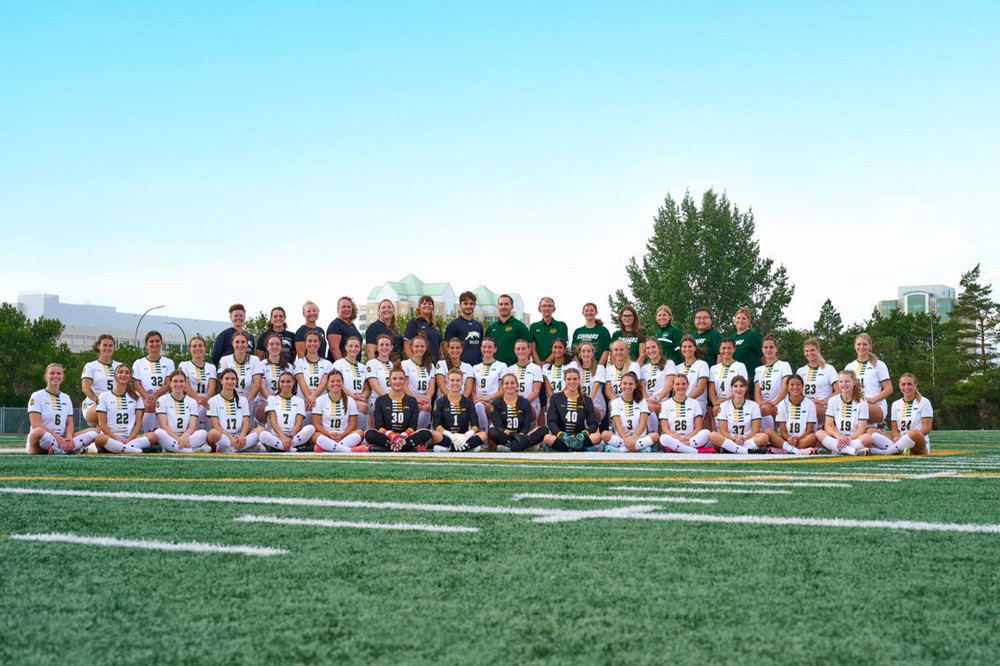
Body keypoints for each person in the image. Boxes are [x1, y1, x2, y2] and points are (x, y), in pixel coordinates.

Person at [27, 363, 98, 454]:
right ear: (46, 377)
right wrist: (58, 438)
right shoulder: (37, 396)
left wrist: (68, 438)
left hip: (62, 438)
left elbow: (69, 423)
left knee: (95, 431)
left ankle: (62, 450)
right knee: (37, 432)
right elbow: (35, 424)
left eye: (59, 373)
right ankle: (69, 450)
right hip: (46, 438)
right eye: (52, 373)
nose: (55, 376)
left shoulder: (66, 397)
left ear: (63, 377)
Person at [364, 366, 433, 452]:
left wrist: (402, 436)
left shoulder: (412, 401)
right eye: (394, 379)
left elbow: (412, 426)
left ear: (405, 381)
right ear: (389, 381)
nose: (398, 382)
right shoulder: (380, 400)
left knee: (427, 433)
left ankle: (387, 448)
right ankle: (406, 447)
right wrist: (392, 436)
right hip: (387, 436)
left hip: (405, 437)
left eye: (401, 379)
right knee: (369, 434)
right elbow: (379, 426)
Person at [95, 365, 156, 453]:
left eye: (127, 373)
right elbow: (102, 424)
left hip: (129, 438)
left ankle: (117, 448)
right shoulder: (104, 396)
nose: (123, 375)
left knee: (153, 436)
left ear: (130, 377)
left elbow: (138, 423)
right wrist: (115, 439)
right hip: (110, 438)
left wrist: (130, 439)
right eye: (120, 372)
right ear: (115, 376)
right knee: (99, 438)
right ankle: (136, 450)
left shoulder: (136, 396)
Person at [868, 373, 933, 455]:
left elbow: (926, 429)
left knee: (914, 433)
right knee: (870, 431)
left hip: (918, 444)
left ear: (915, 385)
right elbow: (894, 430)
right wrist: (898, 438)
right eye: (903, 384)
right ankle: (900, 450)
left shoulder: (924, 402)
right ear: (899, 386)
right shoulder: (895, 404)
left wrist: (906, 438)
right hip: (900, 442)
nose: (906, 387)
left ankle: (887, 452)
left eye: (909, 384)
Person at [815, 370, 873, 456]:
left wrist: (849, 438)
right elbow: (828, 426)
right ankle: (852, 451)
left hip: (853, 439)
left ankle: (835, 450)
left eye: (847, 381)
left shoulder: (862, 402)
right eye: (841, 381)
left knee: (867, 438)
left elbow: (861, 430)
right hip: (837, 438)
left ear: (854, 383)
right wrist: (838, 436)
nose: (843, 384)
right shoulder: (833, 400)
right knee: (819, 433)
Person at [543, 367, 601, 451]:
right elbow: (551, 421)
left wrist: (584, 435)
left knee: (597, 436)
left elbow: (594, 424)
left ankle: (572, 447)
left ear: (579, 380)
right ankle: (577, 448)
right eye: (569, 379)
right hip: (562, 437)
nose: (572, 382)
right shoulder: (555, 398)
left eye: (575, 379)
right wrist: (562, 435)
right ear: (565, 381)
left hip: (579, 437)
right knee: (547, 438)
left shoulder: (587, 400)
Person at [431, 368, 488, 452]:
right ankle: (467, 448)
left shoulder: (468, 402)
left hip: (463, 436)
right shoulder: (440, 402)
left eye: (458, 380)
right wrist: (451, 436)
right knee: (435, 435)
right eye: (452, 380)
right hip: (447, 436)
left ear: (462, 383)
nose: (455, 383)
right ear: (448, 382)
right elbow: (436, 425)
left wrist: (466, 436)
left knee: (483, 435)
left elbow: (475, 425)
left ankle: (451, 449)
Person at [488, 374, 548, 452]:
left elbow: (526, 426)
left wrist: (519, 436)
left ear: (517, 385)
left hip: (522, 435)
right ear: (502, 386)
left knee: (544, 430)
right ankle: (525, 446)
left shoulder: (525, 402)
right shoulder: (496, 404)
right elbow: (499, 426)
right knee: (492, 432)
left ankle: (510, 447)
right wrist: (513, 435)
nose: (510, 386)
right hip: (505, 436)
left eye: (512, 383)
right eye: (506, 383)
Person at [259, 371, 316, 452]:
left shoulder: (299, 401)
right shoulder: (272, 399)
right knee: (262, 435)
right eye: (282, 382)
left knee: (311, 428)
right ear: (279, 383)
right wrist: (283, 437)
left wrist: (290, 437)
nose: (285, 384)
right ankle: (294, 450)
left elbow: (299, 423)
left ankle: (279, 447)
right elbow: (272, 421)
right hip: (277, 435)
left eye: (288, 381)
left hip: (293, 437)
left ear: (293, 382)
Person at [709, 376, 768, 454]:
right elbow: (723, 431)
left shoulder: (753, 405)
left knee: (764, 437)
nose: (738, 389)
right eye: (735, 386)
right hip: (730, 440)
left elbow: (756, 430)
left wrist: (744, 439)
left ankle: (731, 450)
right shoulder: (724, 405)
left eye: (741, 386)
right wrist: (733, 439)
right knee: (713, 436)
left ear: (746, 388)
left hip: (747, 440)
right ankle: (747, 451)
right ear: (731, 388)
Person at [154, 369, 208, 453]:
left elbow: (192, 427)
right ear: (170, 383)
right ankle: (190, 450)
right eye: (175, 381)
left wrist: (185, 436)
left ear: (185, 383)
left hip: (187, 436)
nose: (178, 384)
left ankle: (173, 448)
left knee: (203, 433)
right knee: (158, 432)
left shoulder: (192, 402)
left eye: (181, 381)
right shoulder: (162, 400)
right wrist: (178, 439)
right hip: (169, 435)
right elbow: (164, 425)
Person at [132, 330, 176, 434]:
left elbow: (168, 383)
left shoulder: (168, 362)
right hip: (144, 396)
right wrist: (147, 396)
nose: (155, 344)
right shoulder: (138, 363)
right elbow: (137, 384)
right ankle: (148, 435)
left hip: (162, 396)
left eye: (157, 341)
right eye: (151, 341)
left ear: (162, 343)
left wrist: (156, 395)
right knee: (150, 405)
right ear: (146, 344)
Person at [207, 368, 260, 453]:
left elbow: (246, 422)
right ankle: (243, 448)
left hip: (239, 437)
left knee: (260, 430)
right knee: (212, 434)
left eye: (233, 379)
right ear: (221, 381)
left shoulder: (243, 400)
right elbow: (216, 426)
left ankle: (231, 450)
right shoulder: (213, 401)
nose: (230, 381)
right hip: (224, 437)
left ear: (236, 381)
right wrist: (231, 438)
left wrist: (242, 436)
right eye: (227, 379)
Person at [601, 372, 658, 452]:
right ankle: (639, 449)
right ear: (620, 385)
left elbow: (643, 424)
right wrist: (626, 440)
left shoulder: (642, 402)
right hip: (622, 438)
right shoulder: (615, 402)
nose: (627, 386)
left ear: (635, 386)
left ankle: (621, 450)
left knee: (655, 436)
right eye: (625, 383)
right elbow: (618, 425)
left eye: (630, 384)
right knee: (605, 434)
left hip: (638, 438)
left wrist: (634, 438)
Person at [844, 333, 892, 426]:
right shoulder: (849, 366)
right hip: (855, 405)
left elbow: (889, 388)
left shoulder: (879, 364)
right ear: (854, 346)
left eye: (865, 344)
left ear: (870, 346)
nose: (861, 347)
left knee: (859, 408)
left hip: (876, 405)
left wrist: (874, 400)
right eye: (859, 344)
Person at [313, 369, 365, 452]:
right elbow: (316, 424)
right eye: (332, 381)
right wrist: (329, 435)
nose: (335, 384)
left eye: (338, 381)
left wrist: (341, 436)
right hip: (326, 436)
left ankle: (327, 448)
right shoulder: (320, 400)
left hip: (345, 436)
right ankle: (348, 450)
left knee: (360, 433)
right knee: (315, 436)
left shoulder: (350, 400)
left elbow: (353, 425)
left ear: (342, 383)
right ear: (327, 384)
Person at [658, 374, 712, 454]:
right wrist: (677, 438)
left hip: (690, 438)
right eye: (677, 384)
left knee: (706, 433)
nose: (681, 386)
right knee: (663, 438)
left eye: (683, 384)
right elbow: (665, 428)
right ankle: (695, 451)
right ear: (672, 386)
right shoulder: (666, 404)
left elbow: (698, 427)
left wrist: (687, 437)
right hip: (674, 438)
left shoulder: (694, 403)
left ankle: (678, 448)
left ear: (688, 385)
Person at [765, 374, 817, 455]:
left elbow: (809, 430)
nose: (795, 387)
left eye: (798, 384)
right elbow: (783, 432)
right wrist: (788, 439)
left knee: (812, 437)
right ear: (787, 387)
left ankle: (785, 450)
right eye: (792, 384)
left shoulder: (810, 404)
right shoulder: (782, 404)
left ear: (802, 386)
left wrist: (797, 439)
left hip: (802, 439)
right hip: (786, 440)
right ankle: (796, 450)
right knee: (768, 431)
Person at [219, 332, 263, 417]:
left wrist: (246, 400)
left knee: (247, 427)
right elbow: (222, 382)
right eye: (237, 342)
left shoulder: (254, 360)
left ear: (247, 344)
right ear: (233, 344)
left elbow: (257, 383)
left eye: (243, 342)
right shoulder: (225, 360)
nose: (240, 345)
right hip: (229, 398)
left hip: (248, 399)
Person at [81, 333, 121, 426]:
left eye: (110, 345)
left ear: (114, 347)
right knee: (107, 411)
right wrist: (99, 401)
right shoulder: (91, 366)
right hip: (93, 405)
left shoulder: (119, 366)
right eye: (105, 345)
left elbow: (126, 387)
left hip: (114, 404)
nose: (108, 348)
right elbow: (85, 388)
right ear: (98, 346)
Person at [754, 335, 792, 432]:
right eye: (766, 347)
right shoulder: (758, 369)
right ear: (762, 349)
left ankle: (770, 437)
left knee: (764, 410)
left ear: (776, 349)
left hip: (780, 405)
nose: (768, 350)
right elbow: (757, 390)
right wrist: (759, 404)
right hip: (764, 405)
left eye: (771, 347)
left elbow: (785, 387)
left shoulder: (784, 365)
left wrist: (774, 403)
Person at [796, 338, 838, 425]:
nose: (809, 353)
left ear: (818, 351)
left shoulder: (829, 369)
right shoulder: (800, 371)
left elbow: (838, 390)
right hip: (805, 407)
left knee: (814, 408)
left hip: (823, 407)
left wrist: (823, 402)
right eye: (807, 351)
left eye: (812, 350)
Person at [179, 335, 217, 430]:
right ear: (190, 349)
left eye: (200, 346)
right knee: (198, 409)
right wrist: (197, 399)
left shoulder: (211, 367)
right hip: (190, 400)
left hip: (206, 401)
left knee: (204, 409)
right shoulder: (184, 365)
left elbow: (212, 386)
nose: (197, 349)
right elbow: (185, 385)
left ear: (205, 348)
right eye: (194, 346)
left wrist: (206, 399)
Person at [401, 333, 438, 429]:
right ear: (411, 348)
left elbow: (432, 386)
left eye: (422, 346)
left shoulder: (430, 365)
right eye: (416, 346)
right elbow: (404, 386)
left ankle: (419, 435)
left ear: (425, 348)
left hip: (425, 400)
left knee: (427, 407)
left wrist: (428, 397)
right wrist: (416, 398)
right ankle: (413, 433)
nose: (419, 349)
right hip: (410, 399)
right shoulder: (405, 364)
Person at [332, 336, 370, 428]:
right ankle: (356, 433)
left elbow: (367, 388)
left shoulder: (363, 367)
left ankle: (359, 434)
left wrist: (363, 396)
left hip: (358, 399)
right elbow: (337, 384)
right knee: (362, 406)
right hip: (342, 397)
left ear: (360, 348)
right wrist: (353, 396)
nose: (353, 349)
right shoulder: (338, 364)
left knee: (365, 406)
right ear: (345, 347)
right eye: (350, 346)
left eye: (356, 346)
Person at [484, 294, 531, 366]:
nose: (503, 307)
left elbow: (528, 349)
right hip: (494, 370)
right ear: (498, 307)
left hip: (513, 369)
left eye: (506, 304)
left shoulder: (520, 326)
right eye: (501, 304)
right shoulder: (491, 328)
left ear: (512, 307)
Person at [472, 337, 507, 431]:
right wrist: (476, 400)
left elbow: (502, 390)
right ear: (481, 348)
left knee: (479, 406)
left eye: (489, 347)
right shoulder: (475, 367)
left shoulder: (502, 366)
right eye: (484, 347)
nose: (486, 349)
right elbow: (473, 390)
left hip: (494, 402)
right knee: (477, 406)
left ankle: (485, 434)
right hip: (479, 402)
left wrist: (487, 399)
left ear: (495, 349)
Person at [640, 338, 675, 431]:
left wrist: (657, 399)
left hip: (663, 403)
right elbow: (642, 389)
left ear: (659, 348)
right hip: (648, 402)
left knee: (648, 408)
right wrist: (646, 398)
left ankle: (653, 436)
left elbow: (669, 385)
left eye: (653, 347)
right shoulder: (644, 368)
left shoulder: (669, 364)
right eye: (648, 348)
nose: (651, 350)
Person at [708, 337, 748, 419]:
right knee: (715, 411)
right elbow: (711, 389)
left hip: (735, 402)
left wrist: (727, 401)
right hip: (718, 403)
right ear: (719, 349)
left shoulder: (740, 366)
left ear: (734, 349)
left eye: (729, 348)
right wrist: (715, 403)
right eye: (723, 348)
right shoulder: (713, 368)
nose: (726, 351)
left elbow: (743, 386)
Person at [293, 331, 333, 412]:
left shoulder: (327, 364)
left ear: (319, 343)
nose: (312, 344)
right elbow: (301, 383)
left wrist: (313, 397)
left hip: (322, 400)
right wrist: (309, 399)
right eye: (310, 341)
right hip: (303, 400)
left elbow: (324, 383)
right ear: (305, 343)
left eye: (315, 341)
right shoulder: (298, 363)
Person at [257, 333, 293, 422]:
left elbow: (290, 387)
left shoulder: (289, 367)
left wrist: (280, 401)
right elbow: (262, 387)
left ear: (281, 347)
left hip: (284, 401)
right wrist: (273, 400)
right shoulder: (261, 365)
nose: (274, 347)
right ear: (267, 347)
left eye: (277, 344)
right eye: (271, 344)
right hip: (264, 401)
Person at [444, 291, 484, 365]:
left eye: (471, 304)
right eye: (465, 303)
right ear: (460, 305)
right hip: (461, 367)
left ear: (474, 305)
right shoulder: (453, 325)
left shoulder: (479, 325)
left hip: (477, 366)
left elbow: (481, 347)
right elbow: (446, 349)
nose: (468, 306)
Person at [508, 339, 543, 422]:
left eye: (523, 348)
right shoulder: (510, 369)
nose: (521, 351)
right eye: (518, 349)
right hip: (513, 404)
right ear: (514, 351)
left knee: (524, 410)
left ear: (529, 350)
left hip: (531, 404)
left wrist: (522, 403)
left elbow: (536, 391)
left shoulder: (536, 368)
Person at [675, 335, 710, 417]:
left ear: (695, 348)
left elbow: (701, 389)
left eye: (690, 346)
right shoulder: (677, 367)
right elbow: (674, 390)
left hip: (697, 403)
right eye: (684, 347)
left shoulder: (702, 364)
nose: (687, 349)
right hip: (679, 403)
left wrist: (685, 401)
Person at [530, 296, 568, 366]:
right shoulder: (533, 326)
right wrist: (539, 364)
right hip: (538, 366)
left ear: (554, 309)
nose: (547, 308)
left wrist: (546, 363)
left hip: (557, 365)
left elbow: (560, 347)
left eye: (550, 306)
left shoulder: (562, 326)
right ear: (539, 309)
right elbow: (532, 348)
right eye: (544, 306)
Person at [404, 295, 443, 362]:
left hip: (435, 364)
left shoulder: (436, 324)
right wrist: (414, 363)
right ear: (419, 307)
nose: (427, 305)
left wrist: (440, 362)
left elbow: (439, 346)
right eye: (424, 303)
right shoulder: (414, 322)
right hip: (421, 364)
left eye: (430, 304)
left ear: (433, 307)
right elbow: (406, 345)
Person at [575, 341, 608, 422]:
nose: (586, 354)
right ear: (579, 353)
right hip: (579, 405)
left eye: (589, 351)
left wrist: (586, 405)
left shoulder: (599, 368)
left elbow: (596, 387)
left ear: (592, 353)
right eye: (583, 351)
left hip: (596, 406)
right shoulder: (577, 370)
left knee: (591, 411)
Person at [730, 307, 764, 383]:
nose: (740, 321)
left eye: (744, 319)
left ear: (748, 321)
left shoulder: (753, 335)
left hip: (751, 379)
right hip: (735, 380)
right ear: (735, 320)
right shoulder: (732, 337)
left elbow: (764, 356)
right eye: (738, 318)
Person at [604, 339, 641, 404]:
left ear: (627, 351)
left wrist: (621, 402)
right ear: (612, 352)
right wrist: (614, 400)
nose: (618, 352)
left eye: (621, 350)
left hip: (631, 401)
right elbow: (608, 390)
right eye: (616, 350)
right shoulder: (608, 370)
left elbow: (634, 388)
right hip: (615, 401)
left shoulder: (634, 366)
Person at [326, 296, 362, 362]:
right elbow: (334, 349)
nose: (346, 309)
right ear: (338, 309)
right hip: (341, 369)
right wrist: (343, 367)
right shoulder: (335, 326)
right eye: (343, 307)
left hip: (354, 366)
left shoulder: (351, 325)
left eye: (349, 307)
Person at [366, 334, 395, 414]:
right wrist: (389, 398)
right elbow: (374, 385)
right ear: (377, 347)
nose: (384, 347)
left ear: (391, 347)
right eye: (381, 345)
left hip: (393, 399)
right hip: (376, 399)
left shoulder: (394, 365)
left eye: (387, 345)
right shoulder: (371, 363)